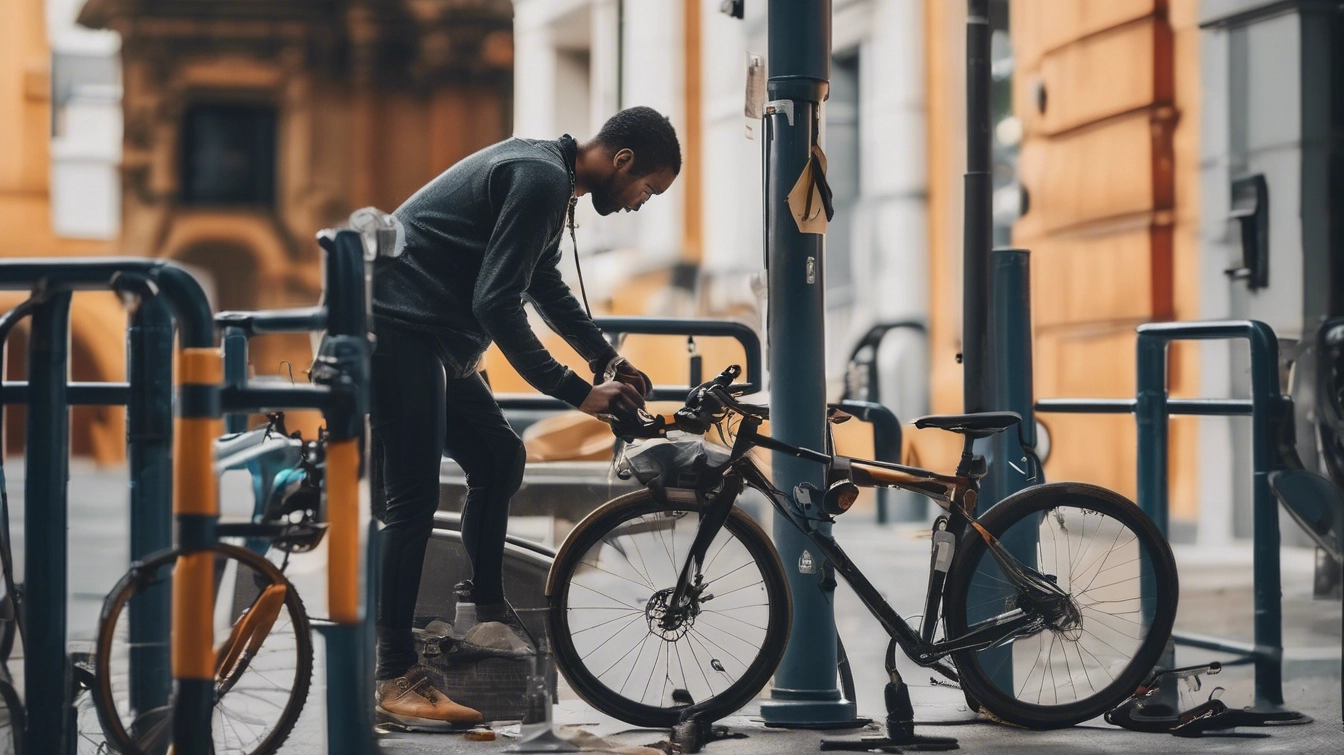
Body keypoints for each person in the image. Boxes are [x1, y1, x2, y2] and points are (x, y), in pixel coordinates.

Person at [369, 106, 681, 729]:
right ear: (622, 161)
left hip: (436, 337)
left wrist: (606, 357)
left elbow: (542, 282)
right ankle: (394, 676)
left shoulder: (551, 179)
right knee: (411, 502)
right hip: (399, 328)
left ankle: (484, 610)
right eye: (647, 189)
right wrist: (578, 392)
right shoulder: (539, 177)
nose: (640, 204)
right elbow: (496, 301)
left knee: (498, 456)